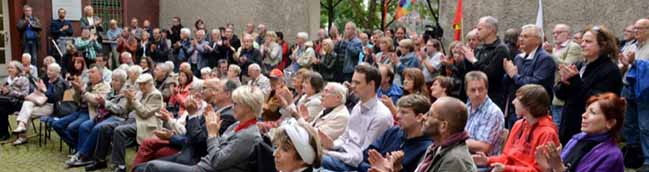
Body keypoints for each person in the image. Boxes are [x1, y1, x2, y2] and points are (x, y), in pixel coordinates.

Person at [140, 85, 264, 172]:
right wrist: (214, 133)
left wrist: (212, 133)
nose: (233, 107)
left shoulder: (248, 135)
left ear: (248, 107)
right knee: (147, 165)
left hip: (202, 166)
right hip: (200, 163)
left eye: (236, 103)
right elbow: (220, 147)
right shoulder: (237, 125)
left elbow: (217, 161)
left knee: (152, 167)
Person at [369, 97, 477, 172]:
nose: (424, 117)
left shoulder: (455, 160)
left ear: (443, 126)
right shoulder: (435, 148)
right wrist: (398, 169)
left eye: (430, 114)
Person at [554, 26, 622, 145]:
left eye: (588, 41)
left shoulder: (610, 70)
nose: (583, 45)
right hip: (569, 126)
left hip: (592, 131)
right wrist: (564, 83)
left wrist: (575, 81)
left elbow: (596, 101)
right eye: (582, 41)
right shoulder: (579, 65)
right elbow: (560, 95)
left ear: (603, 45)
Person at [321, 64, 393, 170]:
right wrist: (332, 145)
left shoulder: (382, 116)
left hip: (354, 165)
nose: (352, 85)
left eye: (357, 82)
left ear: (371, 84)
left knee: (309, 158)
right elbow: (344, 138)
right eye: (353, 81)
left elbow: (361, 158)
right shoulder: (358, 106)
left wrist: (328, 153)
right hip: (343, 155)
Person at [472, 84, 559, 172]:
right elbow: (507, 157)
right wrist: (487, 160)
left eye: (518, 99)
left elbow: (539, 170)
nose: (513, 102)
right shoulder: (519, 124)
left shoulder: (547, 133)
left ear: (529, 106)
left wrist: (506, 169)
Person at [536, 93, 626, 172]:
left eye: (592, 113)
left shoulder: (611, 156)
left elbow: (561, 168)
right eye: (585, 111)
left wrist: (559, 168)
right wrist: (548, 168)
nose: (584, 115)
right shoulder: (577, 139)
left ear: (610, 123)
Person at [354, 95, 433, 172]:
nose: (397, 116)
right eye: (398, 111)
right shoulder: (393, 132)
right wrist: (376, 167)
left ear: (419, 117)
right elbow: (365, 158)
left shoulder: (427, 148)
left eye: (404, 112)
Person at [503, 24, 557, 128]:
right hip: (516, 108)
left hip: (534, 112)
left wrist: (514, 75)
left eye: (526, 36)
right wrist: (507, 73)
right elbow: (510, 82)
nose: (521, 39)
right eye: (521, 36)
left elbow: (535, 85)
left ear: (537, 40)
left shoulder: (545, 59)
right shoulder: (518, 57)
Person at [111, 74, 164, 172]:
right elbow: (129, 110)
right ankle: (116, 161)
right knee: (113, 127)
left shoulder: (156, 95)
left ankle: (121, 166)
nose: (141, 87)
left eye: (144, 84)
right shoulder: (140, 92)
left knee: (119, 130)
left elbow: (145, 113)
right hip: (136, 120)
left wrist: (134, 99)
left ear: (150, 84)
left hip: (147, 124)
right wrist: (128, 99)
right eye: (140, 84)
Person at [83, 69, 131, 171]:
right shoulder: (112, 91)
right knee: (86, 125)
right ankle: (97, 159)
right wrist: (102, 101)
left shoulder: (125, 93)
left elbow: (121, 110)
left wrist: (105, 103)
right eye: (112, 79)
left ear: (122, 82)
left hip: (120, 118)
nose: (113, 82)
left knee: (100, 127)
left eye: (116, 80)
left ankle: (86, 156)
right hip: (107, 116)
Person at [54, 65, 111, 152]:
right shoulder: (87, 85)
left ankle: (81, 151)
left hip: (90, 113)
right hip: (79, 111)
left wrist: (83, 91)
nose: (89, 75)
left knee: (71, 128)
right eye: (89, 72)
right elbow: (76, 100)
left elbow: (96, 102)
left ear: (100, 74)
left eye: (92, 72)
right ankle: (79, 148)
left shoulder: (105, 86)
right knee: (57, 125)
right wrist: (77, 90)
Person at [12, 63, 67, 145]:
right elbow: (37, 82)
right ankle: (22, 126)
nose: (48, 72)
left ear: (57, 72)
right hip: (41, 102)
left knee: (25, 113)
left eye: (51, 71)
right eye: (48, 70)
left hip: (51, 106)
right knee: (27, 104)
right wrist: (30, 76)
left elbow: (54, 98)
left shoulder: (60, 83)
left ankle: (22, 136)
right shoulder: (47, 78)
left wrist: (44, 90)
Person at [463, 16, 510, 111]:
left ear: (490, 29)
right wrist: (466, 58)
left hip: (493, 98)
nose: (476, 32)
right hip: (474, 96)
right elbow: (469, 73)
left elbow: (491, 74)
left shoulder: (501, 49)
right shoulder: (480, 48)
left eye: (479, 29)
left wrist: (474, 60)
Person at [548, 24, 583, 128]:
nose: (555, 35)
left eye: (558, 33)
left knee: (559, 125)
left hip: (563, 92)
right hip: (552, 91)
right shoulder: (554, 48)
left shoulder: (573, 47)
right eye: (554, 33)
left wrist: (550, 54)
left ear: (568, 34)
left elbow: (567, 67)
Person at [463, 71, 505, 156]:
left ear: (486, 90)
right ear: (466, 91)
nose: (477, 94)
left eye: (480, 89)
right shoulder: (466, 107)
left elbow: (484, 147)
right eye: (473, 90)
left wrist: (456, 140)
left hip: (483, 163)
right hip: (465, 155)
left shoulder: (493, 113)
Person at [0, 61, 31, 140]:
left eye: (12, 68)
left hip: (18, 103)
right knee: (1, 109)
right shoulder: (5, 80)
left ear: (18, 69)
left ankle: (4, 133)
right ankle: (4, 133)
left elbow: (25, 95)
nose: (9, 69)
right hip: (5, 103)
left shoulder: (24, 80)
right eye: (8, 68)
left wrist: (10, 92)